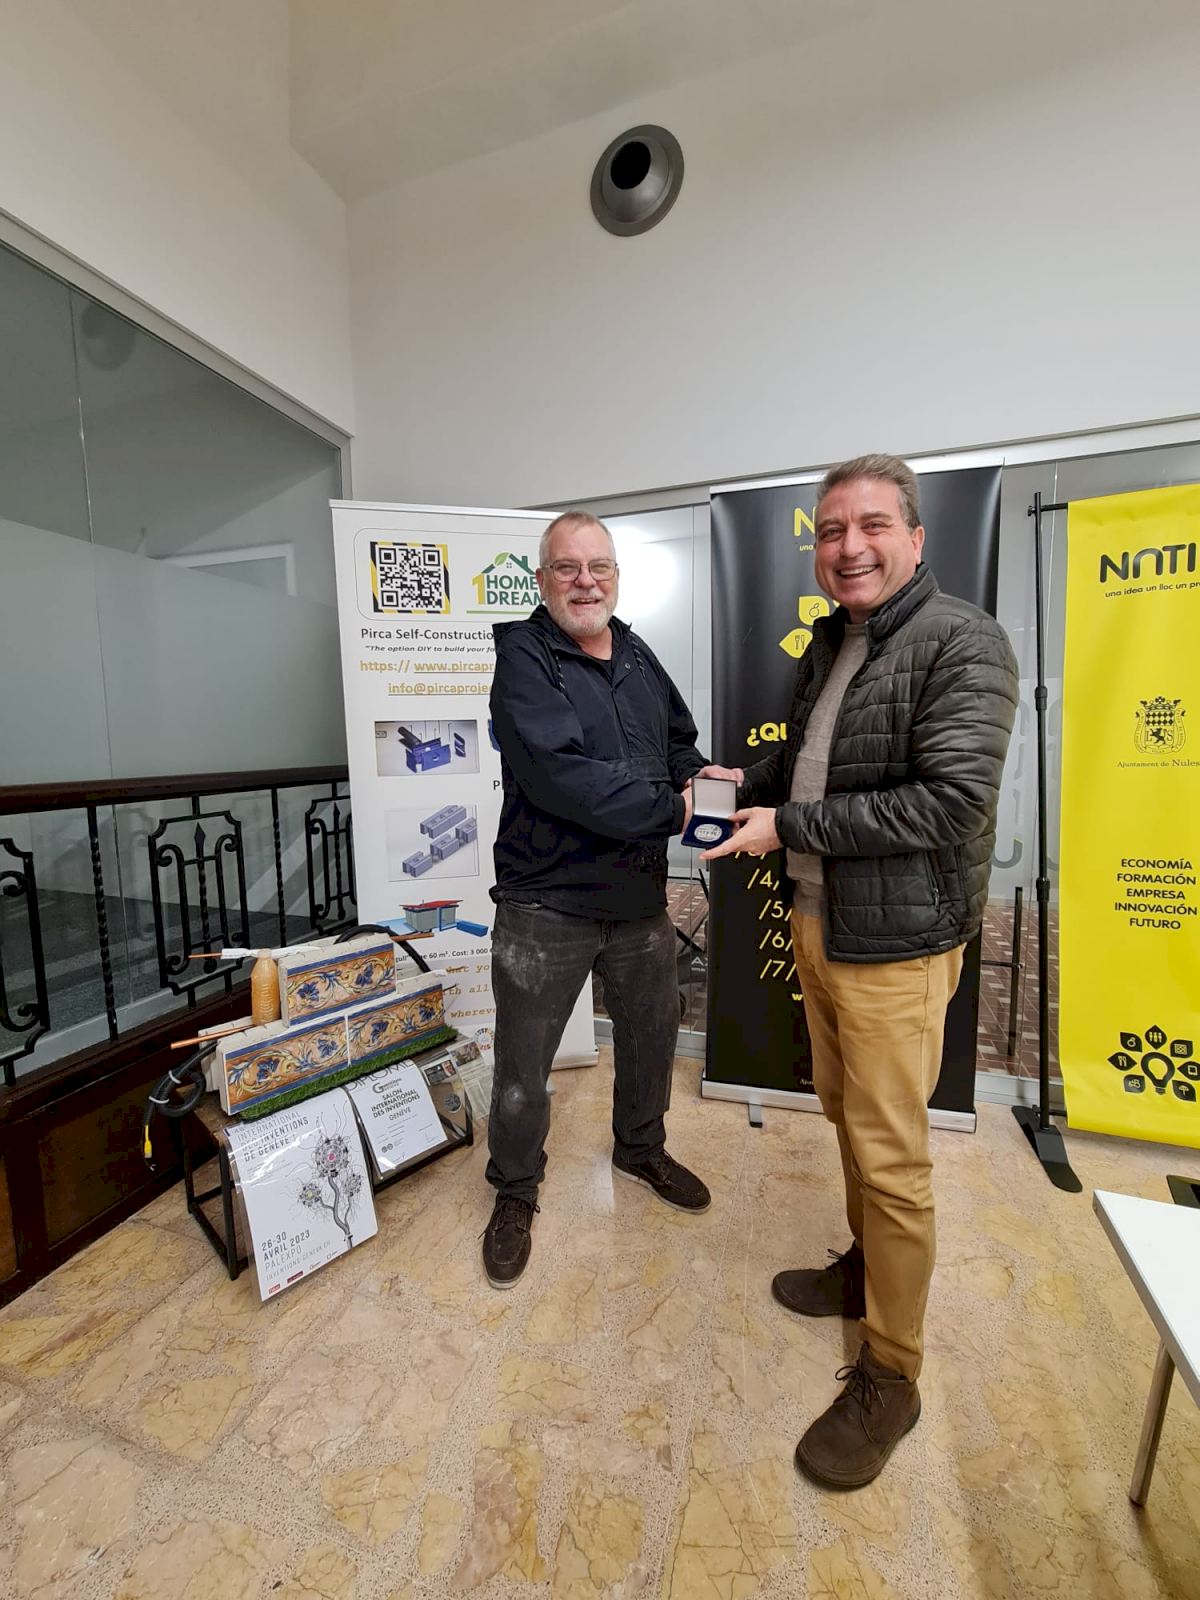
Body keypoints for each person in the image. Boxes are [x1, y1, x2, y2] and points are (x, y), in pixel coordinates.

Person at [702, 454, 1018, 1489]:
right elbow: (806, 759)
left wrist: (786, 824)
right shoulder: (834, 641)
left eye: (873, 525)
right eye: (833, 530)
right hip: (819, 923)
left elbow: (948, 803)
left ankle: (893, 1371)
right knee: (846, 1117)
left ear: (916, 539)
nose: (850, 547)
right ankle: (866, 1269)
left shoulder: (965, 641)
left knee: (891, 1159)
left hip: (898, 948)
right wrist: (736, 783)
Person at [483, 510, 741, 1288]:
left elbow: (676, 742)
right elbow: (562, 777)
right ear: (542, 579)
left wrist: (699, 778)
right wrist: (673, 810)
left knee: (652, 1034)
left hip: (636, 898)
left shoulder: (635, 653)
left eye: (599, 567)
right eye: (568, 567)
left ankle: (640, 1148)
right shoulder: (524, 658)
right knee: (524, 1062)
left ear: (616, 577)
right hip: (545, 901)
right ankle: (515, 1188)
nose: (585, 582)